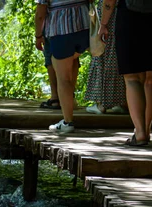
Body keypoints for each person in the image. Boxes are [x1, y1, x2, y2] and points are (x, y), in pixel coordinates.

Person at [100, 0, 152, 146]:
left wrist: (103, 23)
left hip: (130, 17)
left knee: (132, 78)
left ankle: (140, 132)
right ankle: (146, 129)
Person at [35, 0, 90, 133]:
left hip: (61, 29)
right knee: (73, 63)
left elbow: (40, 13)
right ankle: (72, 102)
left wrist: (38, 35)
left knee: (63, 78)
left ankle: (67, 121)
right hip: (84, 27)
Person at [85, 0, 128, 114]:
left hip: (109, 16)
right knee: (117, 57)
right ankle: (121, 102)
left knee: (103, 55)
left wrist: (103, 24)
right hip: (125, 15)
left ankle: (101, 104)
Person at [39, 36, 61, 109]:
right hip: (74, 30)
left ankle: (55, 99)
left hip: (52, 31)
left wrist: (38, 36)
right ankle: (70, 98)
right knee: (72, 56)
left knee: (51, 56)